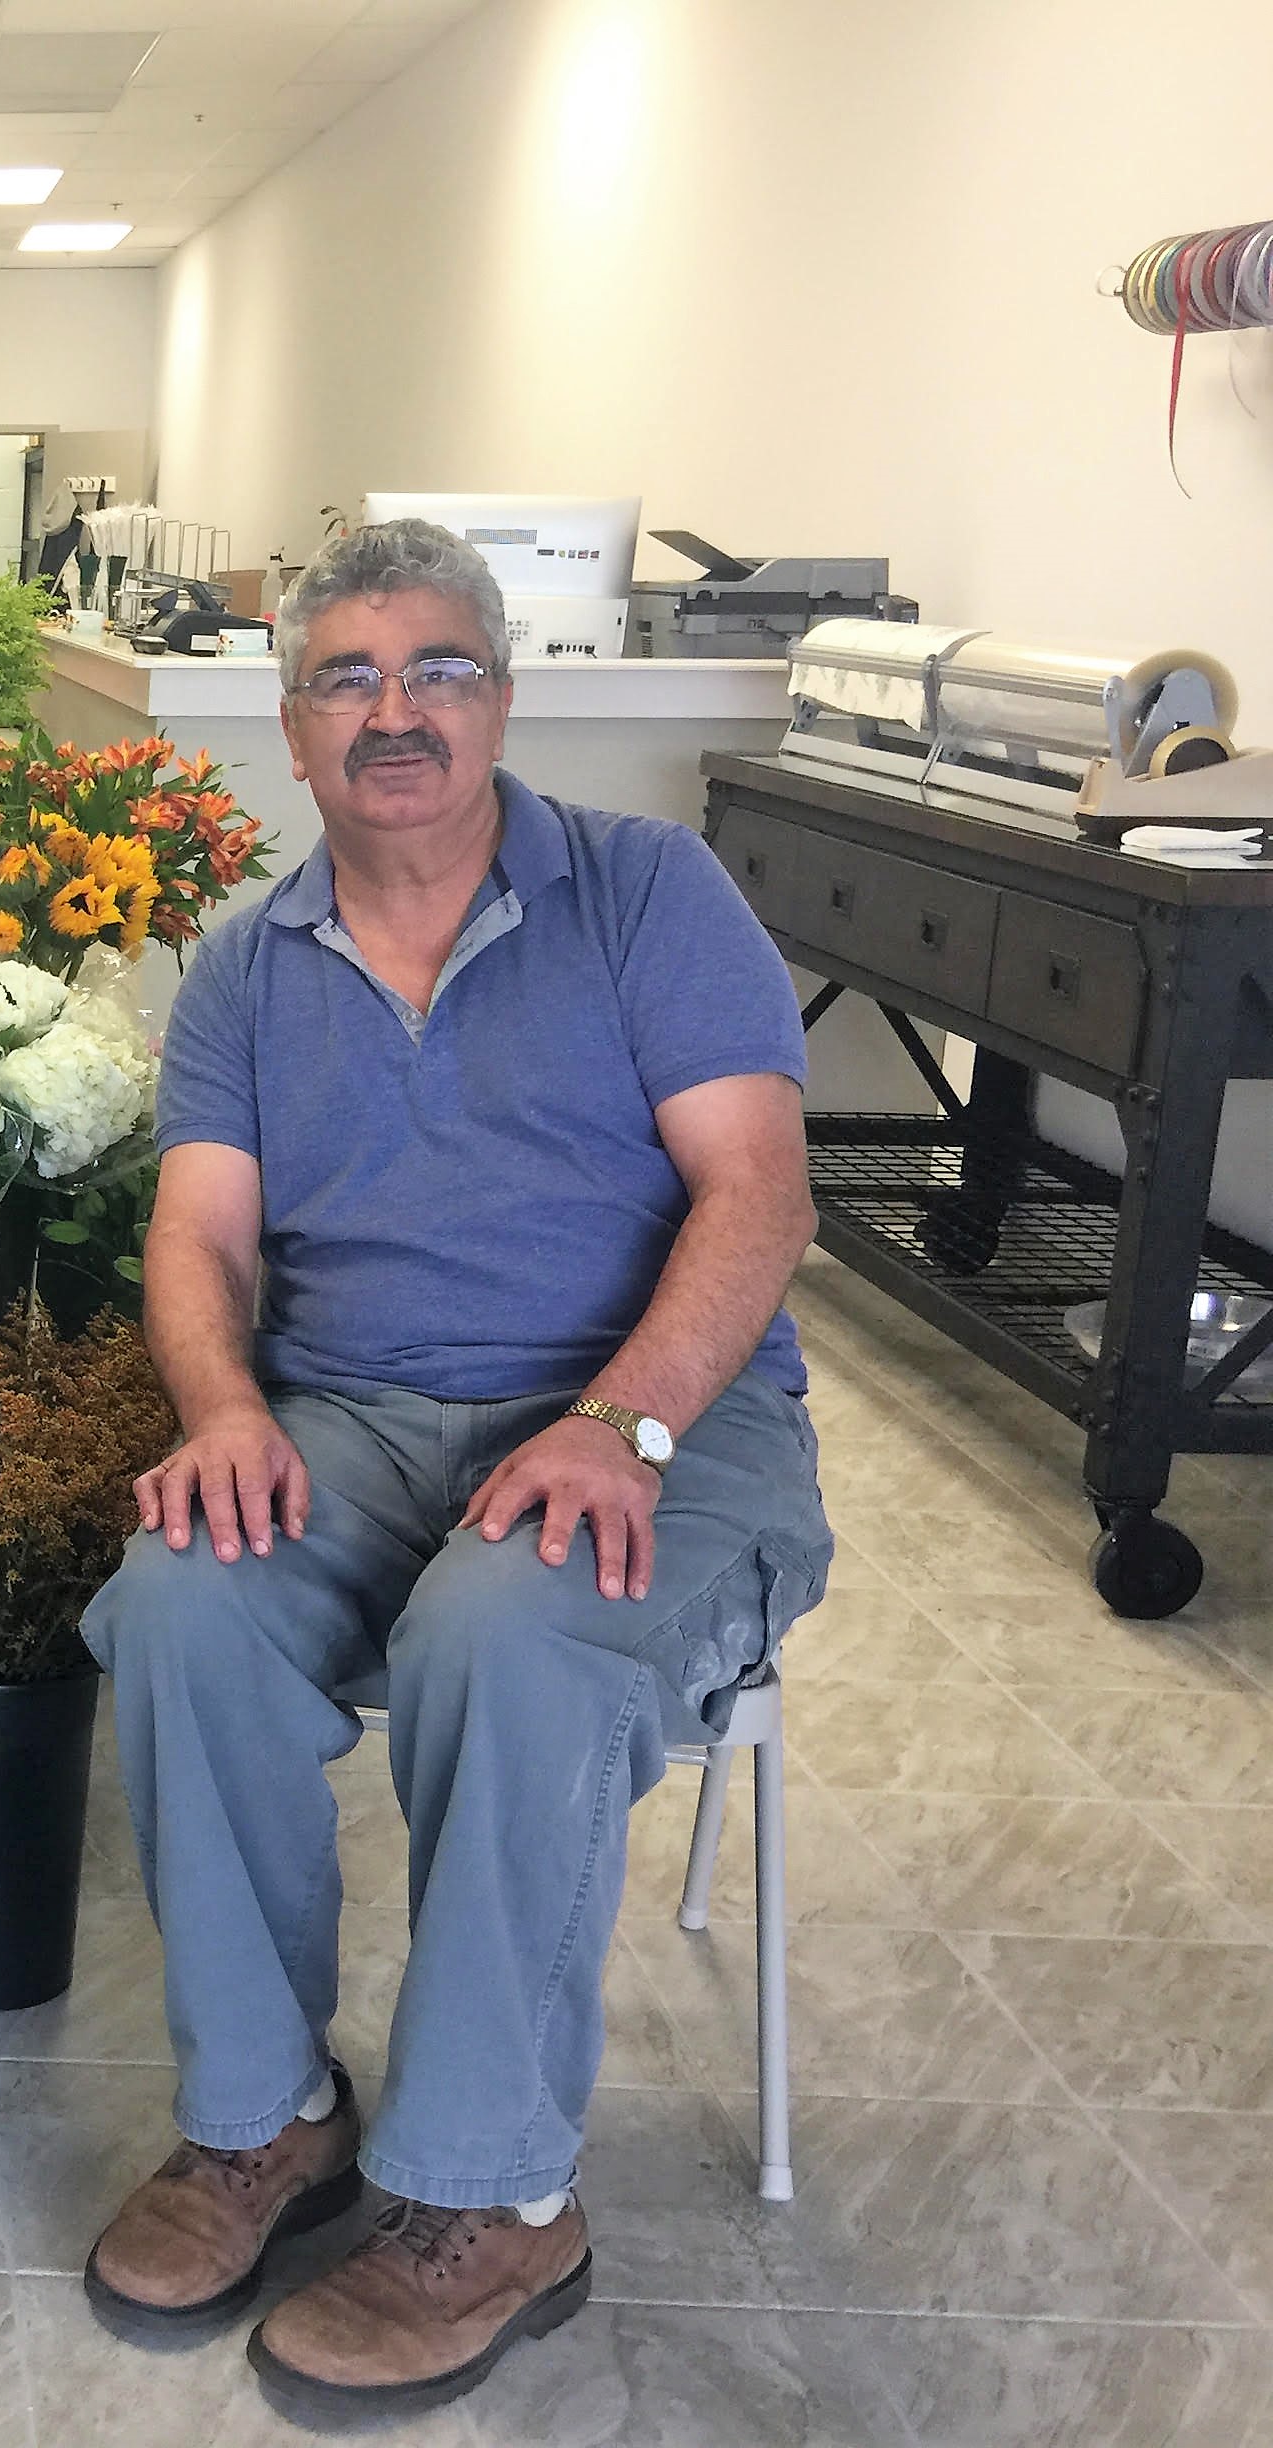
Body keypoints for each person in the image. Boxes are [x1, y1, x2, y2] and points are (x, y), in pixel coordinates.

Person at [75, 520, 831, 2424]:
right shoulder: (251, 966)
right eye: (349, 675)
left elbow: (759, 1192)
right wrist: (224, 1414)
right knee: (178, 1600)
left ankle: (498, 2194)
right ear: (293, 720)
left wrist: (624, 1421)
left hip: (666, 1417)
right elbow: (199, 1241)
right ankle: (270, 2119)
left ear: (503, 699)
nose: (396, 712)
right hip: (360, 1420)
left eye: (440, 671)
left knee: (510, 1631)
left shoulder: (649, 896)